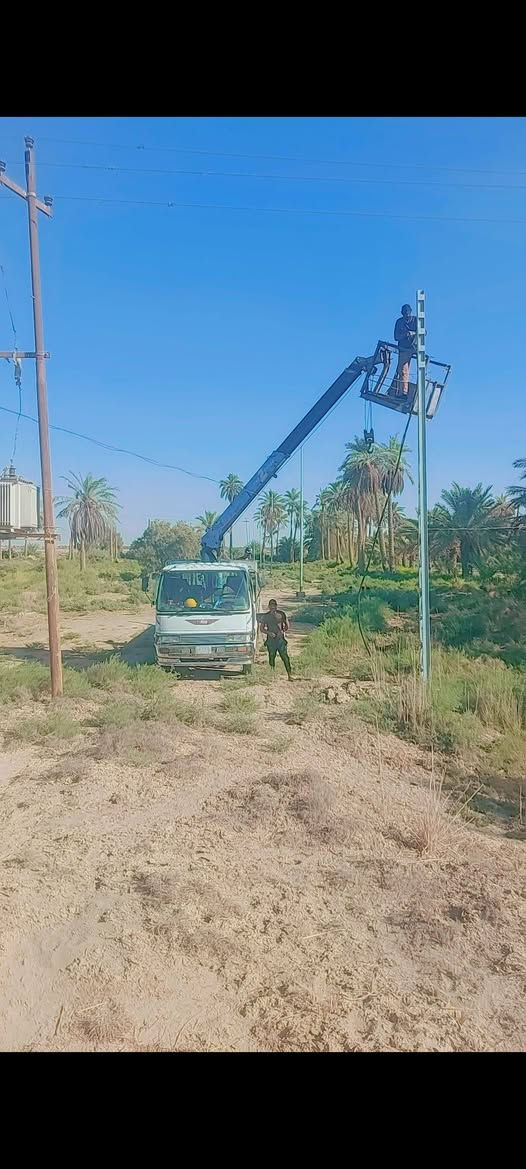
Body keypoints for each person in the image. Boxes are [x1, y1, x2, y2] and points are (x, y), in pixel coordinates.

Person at [258, 599, 292, 680]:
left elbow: (287, 625)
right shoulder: (266, 616)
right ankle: (272, 675)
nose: (272, 607)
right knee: (271, 657)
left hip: (280, 640)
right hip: (271, 640)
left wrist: (282, 631)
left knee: (285, 657)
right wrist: (269, 633)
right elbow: (261, 628)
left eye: (274, 606)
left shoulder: (281, 614)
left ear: (276, 606)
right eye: (271, 606)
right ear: (269, 606)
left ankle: (289, 675)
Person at [391, 303, 417, 397]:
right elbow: (396, 337)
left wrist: (413, 333)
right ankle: (403, 391)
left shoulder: (416, 320)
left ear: (411, 312)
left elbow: (424, 332)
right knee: (402, 370)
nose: (406, 315)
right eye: (404, 313)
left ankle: (417, 391)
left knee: (421, 368)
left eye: (408, 313)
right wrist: (405, 335)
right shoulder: (399, 322)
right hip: (404, 348)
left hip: (415, 347)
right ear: (402, 314)